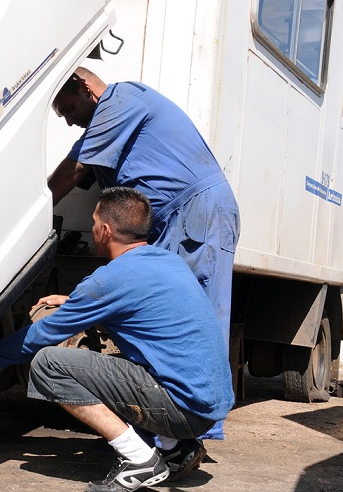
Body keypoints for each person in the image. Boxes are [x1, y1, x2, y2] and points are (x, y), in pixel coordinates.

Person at [0, 187, 234, 492]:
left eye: (94, 222)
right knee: (130, 361)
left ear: (105, 231)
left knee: (48, 364)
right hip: (207, 408)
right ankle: (177, 448)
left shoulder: (109, 280)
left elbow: (40, 336)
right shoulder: (166, 261)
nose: (92, 229)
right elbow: (139, 305)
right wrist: (76, 302)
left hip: (182, 409)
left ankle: (139, 459)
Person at [48, 68, 240, 347]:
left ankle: (208, 389)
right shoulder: (109, 121)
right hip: (174, 220)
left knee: (199, 312)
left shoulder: (119, 102)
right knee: (166, 311)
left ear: (85, 89)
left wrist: (28, 219)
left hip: (198, 212)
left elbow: (70, 173)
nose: (68, 121)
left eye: (68, 109)